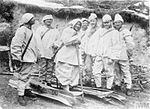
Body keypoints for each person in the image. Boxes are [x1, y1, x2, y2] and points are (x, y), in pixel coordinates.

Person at [10, 13, 39, 106]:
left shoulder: (31, 30)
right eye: (32, 18)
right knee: (23, 77)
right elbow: (15, 44)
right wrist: (16, 58)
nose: (34, 19)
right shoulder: (22, 30)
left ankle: (26, 90)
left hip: (30, 58)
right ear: (27, 19)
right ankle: (20, 95)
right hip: (25, 58)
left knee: (28, 76)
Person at [89, 14, 122, 89]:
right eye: (104, 22)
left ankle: (108, 87)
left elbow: (116, 46)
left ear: (111, 22)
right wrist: (94, 54)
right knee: (96, 72)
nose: (106, 24)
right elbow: (94, 42)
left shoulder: (115, 32)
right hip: (99, 55)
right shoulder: (100, 31)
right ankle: (98, 86)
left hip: (108, 56)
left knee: (109, 73)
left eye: (107, 22)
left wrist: (113, 57)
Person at [55, 19, 82, 92]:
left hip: (74, 53)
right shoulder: (67, 30)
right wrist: (75, 40)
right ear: (73, 24)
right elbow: (66, 42)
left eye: (79, 25)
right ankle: (65, 85)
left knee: (74, 69)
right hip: (66, 53)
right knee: (65, 69)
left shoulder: (79, 33)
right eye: (76, 24)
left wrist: (78, 42)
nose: (78, 26)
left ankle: (72, 84)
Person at [113, 13, 134, 94]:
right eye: (115, 23)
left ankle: (128, 87)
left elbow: (130, 45)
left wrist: (129, 54)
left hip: (123, 55)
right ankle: (117, 84)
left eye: (119, 22)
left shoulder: (125, 32)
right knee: (117, 71)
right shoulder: (114, 32)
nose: (117, 24)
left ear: (122, 23)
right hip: (115, 55)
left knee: (125, 71)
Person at [35, 15, 60, 80]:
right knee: (42, 66)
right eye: (47, 19)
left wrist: (56, 45)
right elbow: (37, 40)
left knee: (50, 67)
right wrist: (39, 50)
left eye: (50, 20)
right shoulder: (40, 29)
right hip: (42, 50)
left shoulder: (55, 31)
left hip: (51, 51)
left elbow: (58, 40)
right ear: (44, 21)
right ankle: (42, 80)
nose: (49, 21)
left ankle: (48, 80)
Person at [80, 13, 99, 82]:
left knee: (96, 67)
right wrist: (83, 49)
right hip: (88, 51)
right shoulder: (88, 30)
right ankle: (87, 80)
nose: (92, 23)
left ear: (96, 21)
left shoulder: (99, 30)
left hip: (97, 51)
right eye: (90, 21)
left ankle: (95, 81)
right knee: (87, 67)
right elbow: (85, 41)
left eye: (93, 21)